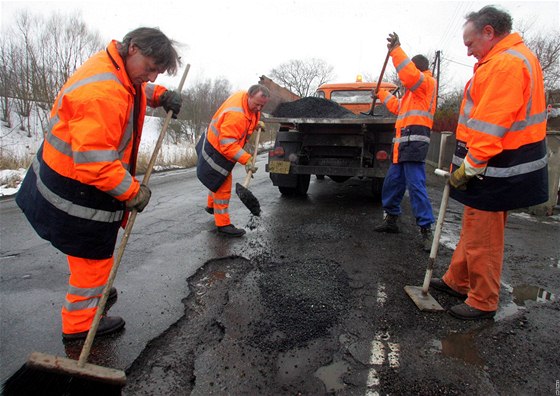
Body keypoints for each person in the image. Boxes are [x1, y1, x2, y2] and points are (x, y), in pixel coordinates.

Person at [16, 27, 183, 340]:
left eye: (156, 74)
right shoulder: (103, 94)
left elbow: (135, 90)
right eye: (149, 69)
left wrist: (159, 97)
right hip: (77, 184)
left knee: (86, 255)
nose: (150, 78)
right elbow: (96, 164)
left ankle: (96, 292)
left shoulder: (113, 68)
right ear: (133, 48)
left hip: (64, 172)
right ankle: (80, 325)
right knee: (93, 254)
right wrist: (134, 192)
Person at [430, 6, 548, 320]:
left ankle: (483, 299)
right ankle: (459, 279)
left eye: (470, 43)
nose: (467, 51)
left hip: (496, 163)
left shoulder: (505, 64)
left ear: (488, 32)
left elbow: (491, 123)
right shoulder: (509, 59)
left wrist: (472, 164)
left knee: (483, 232)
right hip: (497, 160)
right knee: (473, 224)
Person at [373, 32, 438, 252]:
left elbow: (409, 75)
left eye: (407, 73)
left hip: (415, 144)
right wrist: (380, 93)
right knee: (392, 183)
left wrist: (396, 50)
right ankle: (391, 219)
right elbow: (396, 106)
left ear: (417, 69)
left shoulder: (426, 84)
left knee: (416, 185)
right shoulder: (412, 94)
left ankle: (426, 229)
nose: (402, 80)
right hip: (402, 146)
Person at [196, 84, 269, 237]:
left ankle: (211, 206)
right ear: (249, 95)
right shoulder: (236, 115)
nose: (259, 109)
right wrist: (247, 159)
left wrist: (256, 124)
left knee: (216, 178)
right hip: (217, 148)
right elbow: (227, 144)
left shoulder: (246, 100)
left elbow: (249, 118)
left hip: (218, 142)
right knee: (223, 182)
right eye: (257, 104)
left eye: (262, 106)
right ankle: (223, 225)